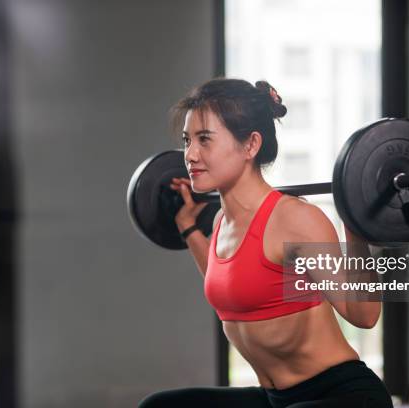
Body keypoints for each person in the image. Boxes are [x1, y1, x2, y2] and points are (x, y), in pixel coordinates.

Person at [139, 78, 393, 408]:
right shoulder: (219, 222)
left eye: (204, 140)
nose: (190, 154)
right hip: (276, 399)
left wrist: (356, 225)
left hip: (343, 395)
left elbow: (365, 313)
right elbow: (233, 289)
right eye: (187, 140)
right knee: (159, 407)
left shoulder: (295, 221)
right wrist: (187, 227)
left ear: (250, 145)